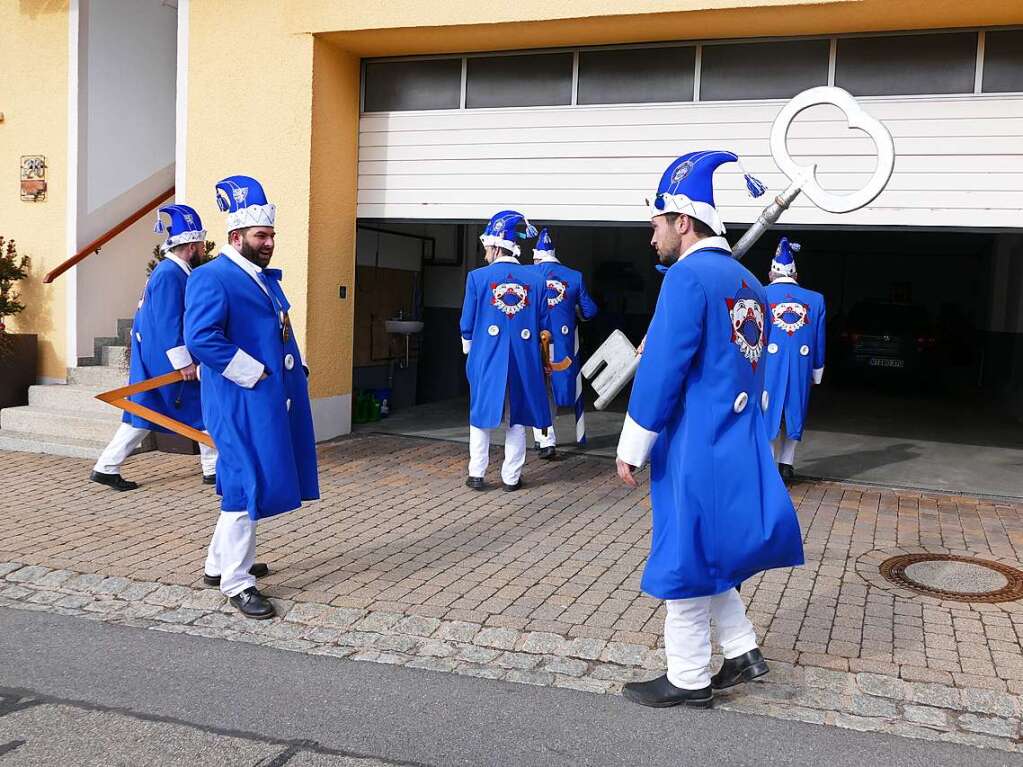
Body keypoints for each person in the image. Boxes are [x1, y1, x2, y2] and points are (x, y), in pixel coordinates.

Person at [615, 151, 804, 708]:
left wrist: (632, 446)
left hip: (694, 444)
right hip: (736, 439)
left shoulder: (687, 278)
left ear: (682, 220)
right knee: (711, 550)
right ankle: (742, 650)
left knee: (686, 558)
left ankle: (690, 677)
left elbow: (662, 376)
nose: (652, 239)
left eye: (656, 225)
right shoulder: (747, 280)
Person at [184, 175, 319, 619]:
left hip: (263, 397)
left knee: (245, 481)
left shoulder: (259, 277)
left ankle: (217, 565)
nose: (269, 243)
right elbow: (201, 338)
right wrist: (256, 372)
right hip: (238, 398)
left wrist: (292, 370)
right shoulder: (213, 277)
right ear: (236, 236)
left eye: (272, 236)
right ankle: (238, 583)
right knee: (244, 485)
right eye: (262, 236)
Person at [90, 204, 217, 491]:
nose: (203, 249)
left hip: (155, 355)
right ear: (191, 245)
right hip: (165, 357)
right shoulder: (170, 274)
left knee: (145, 412)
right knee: (203, 407)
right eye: (200, 244)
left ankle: (106, 467)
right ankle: (212, 469)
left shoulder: (171, 271)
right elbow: (168, 323)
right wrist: (183, 361)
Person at [460, 210, 551, 492]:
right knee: (517, 418)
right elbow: (544, 324)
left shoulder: (477, 277)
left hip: (486, 357)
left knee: (481, 413)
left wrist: (469, 350)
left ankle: (477, 473)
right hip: (524, 360)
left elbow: (466, 323)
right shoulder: (536, 279)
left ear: (497, 244)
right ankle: (511, 478)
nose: (485, 251)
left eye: (487, 246)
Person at [763, 237, 826, 482]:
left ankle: (767, 466)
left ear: (771, 273)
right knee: (794, 411)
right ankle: (786, 465)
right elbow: (819, 339)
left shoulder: (762, 293)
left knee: (768, 412)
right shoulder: (816, 299)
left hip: (769, 366)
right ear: (796, 275)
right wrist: (816, 371)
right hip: (801, 365)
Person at [530, 228, 598, 457]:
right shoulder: (573, 276)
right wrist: (575, 310)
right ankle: (545, 437)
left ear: (536, 256)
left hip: (532, 344)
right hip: (561, 345)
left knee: (536, 390)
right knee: (553, 390)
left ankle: (545, 438)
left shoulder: (528, 275)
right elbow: (590, 311)